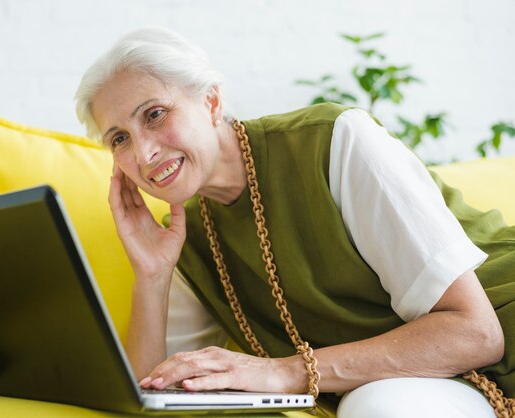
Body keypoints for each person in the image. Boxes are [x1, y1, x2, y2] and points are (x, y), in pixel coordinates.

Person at [75, 27, 514, 417]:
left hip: (498, 355)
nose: (144, 154)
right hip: (403, 387)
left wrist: (285, 372)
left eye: (154, 114)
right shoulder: (185, 236)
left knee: (379, 406)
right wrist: (151, 276)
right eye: (119, 139)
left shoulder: (334, 140)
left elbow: (476, 333)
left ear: (211, 102)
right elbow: (149, 394)